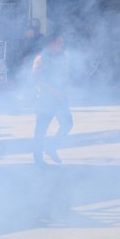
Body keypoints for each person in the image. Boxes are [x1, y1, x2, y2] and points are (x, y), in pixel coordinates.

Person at [32, 29, 72, 165]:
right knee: (41, 130)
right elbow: (38, 80)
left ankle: (52, 147)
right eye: (59, 42)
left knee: (67, 124)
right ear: (52, 43)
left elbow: (64, 74)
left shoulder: (62, 56)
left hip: (61, 98)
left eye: (62, 42)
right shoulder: (41, 58)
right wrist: (55, 93)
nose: (62, 44)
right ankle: (38, 159)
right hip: (45, 100)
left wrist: (67, 85)